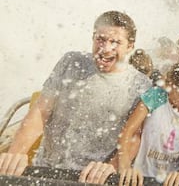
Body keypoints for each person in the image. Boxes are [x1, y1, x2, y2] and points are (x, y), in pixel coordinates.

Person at [0, 11, 152, 180]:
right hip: (45, 171)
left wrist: (110, 167)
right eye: (100, 39)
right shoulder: (71, 62)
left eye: (115, 42)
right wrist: (15, 154)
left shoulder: (141, 84)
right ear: (93, 37)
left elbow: (134, 136)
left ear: (130, 46)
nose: (106, 48)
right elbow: (41, 112)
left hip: (92, 178)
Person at [108, 61, 179, 186]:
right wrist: (125, 168)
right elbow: (127, 132)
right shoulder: (154, 97)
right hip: (142, 174)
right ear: (170, 86)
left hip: (170, 178)